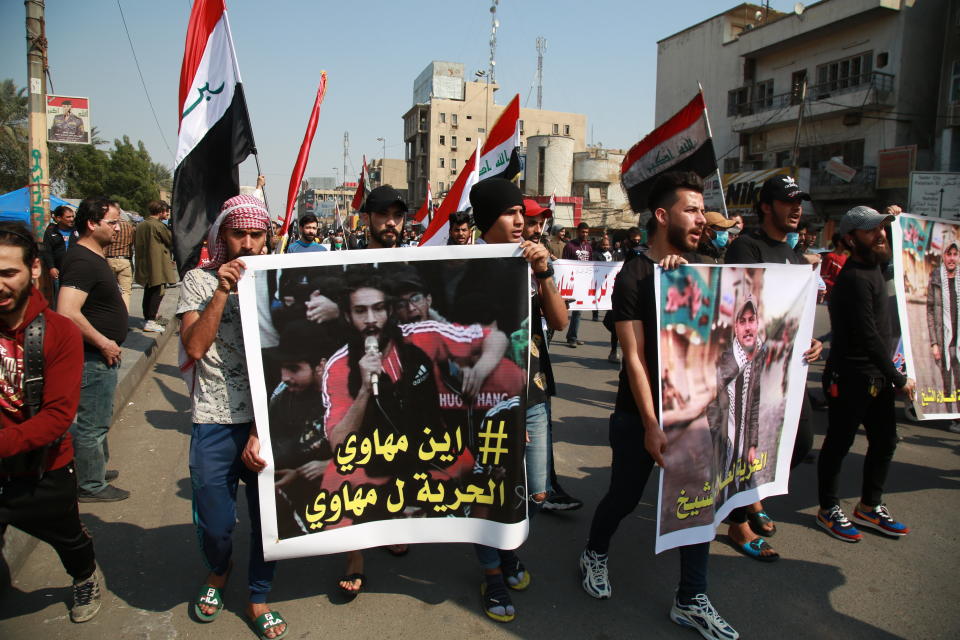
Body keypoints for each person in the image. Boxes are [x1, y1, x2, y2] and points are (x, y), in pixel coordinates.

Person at [580, 171, 740, 640]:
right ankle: (594, 550)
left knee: (697, 506)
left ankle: (691, 598)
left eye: (702, 211)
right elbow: (633, 357)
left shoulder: (702, 266)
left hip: (694, 413)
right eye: (691, 210)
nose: (701, 220)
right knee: (625, 497)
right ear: (662, 216)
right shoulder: (634, 274)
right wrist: (651, 425)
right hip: (640, 416)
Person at [177, 195, 288, 639]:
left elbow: (292, 357)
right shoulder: (198, 282)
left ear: (266, 238)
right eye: (237, 234)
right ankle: (219, 572)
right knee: (217, 521)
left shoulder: (281, 282)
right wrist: (222, 290)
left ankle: (259, 595)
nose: (246, 243)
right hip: (215, 416)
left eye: (255, 235)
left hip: (268, 421)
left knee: (269, 521)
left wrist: (264, 428)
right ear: (222, 236)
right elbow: (195, 347)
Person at [465, 180, 568, 623]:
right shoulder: (465, 269)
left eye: (522, 213)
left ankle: (508, 553)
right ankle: (492, 573)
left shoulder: (531, 262)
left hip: (535, 396)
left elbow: (560, 322)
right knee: (491, 487)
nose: (521, 221)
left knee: (534, 490)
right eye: (509, 214)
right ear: (488, 221)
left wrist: (544, 272)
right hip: (489, 401)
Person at [0, 222, 103, 623]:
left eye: (9, 272)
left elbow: (58, 417)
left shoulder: (57, 331)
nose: (1, 284)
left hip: (44, 469)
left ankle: (84, 577)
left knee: (70, 540)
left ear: (35, 270)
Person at [723, 174, 822, 552]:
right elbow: (741, 308)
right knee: (745, 445)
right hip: (751, 370)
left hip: (786, 370)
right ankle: (738, 524)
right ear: (766, 206)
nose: (797, 209)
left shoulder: (796, 257)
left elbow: (796, 314)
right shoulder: (746, 248)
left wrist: (810, 341)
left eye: (799, 202)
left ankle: (754, 497)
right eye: (787, 202)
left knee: (799, 443)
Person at [817, 206, 915, 543]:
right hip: (852, 376)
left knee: (885, 441)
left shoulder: (874, 266)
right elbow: (869, 336)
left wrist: (897, 220)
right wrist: (900, 378)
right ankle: (828, 508)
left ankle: (869, 505)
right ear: (850, 238)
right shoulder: (855, 277)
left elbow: (894, 259)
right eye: (872, 230)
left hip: (877, 376)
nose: (880, 235)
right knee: (839, 443)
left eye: (882, 229)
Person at [57, 197, 130, 502]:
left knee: (99, 418)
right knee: (92, 423)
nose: (117, 228)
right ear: (91, 223)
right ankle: (90, 484)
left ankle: (95, 469)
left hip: (100, 355)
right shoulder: (82, 260)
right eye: (112, 222)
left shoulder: (92, 255)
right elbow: (67, 311)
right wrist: (103, 341)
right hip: (93, 357)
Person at [704, 296, 778, 563]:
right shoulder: (726, 354)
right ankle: (736, 525)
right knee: (721, 481)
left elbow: (755, 397)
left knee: (744, 473)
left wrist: (753, 440)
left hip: (745, 430)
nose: (748, 326)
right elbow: (710, 394)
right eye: (742, 321)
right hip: (720, 431)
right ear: (734, 326)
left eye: (752, 321)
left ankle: (738, 518)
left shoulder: (758, 349)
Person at [268, 320, 341, 539]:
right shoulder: (281, 399)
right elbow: (282, 450)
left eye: (293, 369)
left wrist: (331, 465)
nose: (284, 377)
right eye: (282, 368)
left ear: (320, 365)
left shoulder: (351, 393)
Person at [926, 235, 960, 415]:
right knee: (947, 383)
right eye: (949, 254)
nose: (952, 258)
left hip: (959, 342)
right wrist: (934, 343)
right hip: (943, 341)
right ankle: (951, 417)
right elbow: (930, 311)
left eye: (956, 254)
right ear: (943, 256)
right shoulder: (936, 277)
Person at [134, 200, 178, 333]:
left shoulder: (141, 225)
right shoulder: (158, 226)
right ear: (161, 212)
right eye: (166, 211)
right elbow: (170, 240)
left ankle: (147, 318)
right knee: (157, 292)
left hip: (145, 263)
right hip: (157, 264)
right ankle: (151, 320)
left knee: (148, 292)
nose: (168, 214)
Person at [563, 222, 593, 347]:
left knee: (578, 311)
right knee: (563, 309)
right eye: (582, 232)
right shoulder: (570, 246)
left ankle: (572, 337)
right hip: (570, 284)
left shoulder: (589, 247)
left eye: (586, 232)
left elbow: (591, 264)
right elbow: (564, 264)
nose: (585, 234)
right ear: (578, 231)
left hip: (582, 284)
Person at [42, 205, 78, 302]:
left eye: (72, 216)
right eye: (68, 217)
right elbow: (46, 251)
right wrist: (51, 267)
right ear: (58, 218)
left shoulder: (77, 230)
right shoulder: (51, 232)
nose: (71, 219)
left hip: (76, 270)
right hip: (59, 272)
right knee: (61, 298)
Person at [103, 211, 135, 312]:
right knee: (125, 291)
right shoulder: (129, 227)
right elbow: (133, 242)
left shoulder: (109, 226)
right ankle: (124, 316)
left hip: (109, 259)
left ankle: (109, 315)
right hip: (125, 259)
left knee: (109, 290)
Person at [820, 233, 848, 303]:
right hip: (829, 297)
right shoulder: (830, 257)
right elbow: (823, 277)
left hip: (841, 296)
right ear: (839, 242)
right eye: (845, 240)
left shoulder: (845, 258)